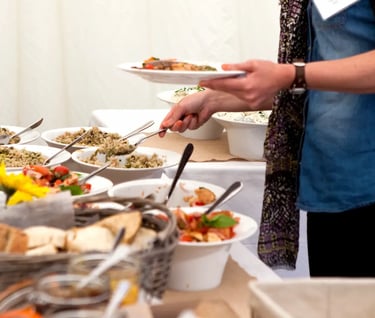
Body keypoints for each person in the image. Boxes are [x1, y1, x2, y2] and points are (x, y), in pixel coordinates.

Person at [159, 0, 375, 277]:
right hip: (329, 183)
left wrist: (289, 74)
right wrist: (216, 99)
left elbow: (300, 77)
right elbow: (323, 79)